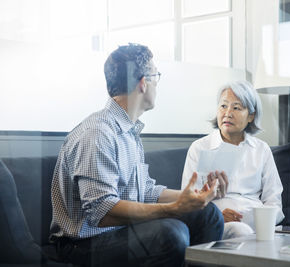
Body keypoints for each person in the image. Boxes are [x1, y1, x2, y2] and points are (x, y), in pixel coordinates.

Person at [49, 43, 224, 267]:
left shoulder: (128, 131)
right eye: (156, 76)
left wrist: (194, 197)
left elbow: (146, 191)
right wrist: (172, 210)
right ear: (143, 82)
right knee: (171, 233)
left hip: (116, 233)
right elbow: (102, 212)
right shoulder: (97, 133)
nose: (157, 85)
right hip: (82, 244)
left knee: (207, 213)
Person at [181, 80, 284, 240]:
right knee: (239, 230)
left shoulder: (261, 149)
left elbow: (274, 202)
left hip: (256, 223)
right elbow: (188, 202)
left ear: (251, 116)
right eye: (223, 106)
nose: (228, 113)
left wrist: (260, 222)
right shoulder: (200, 147)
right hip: (218, 223)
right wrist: (217, 216)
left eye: (236, 107)